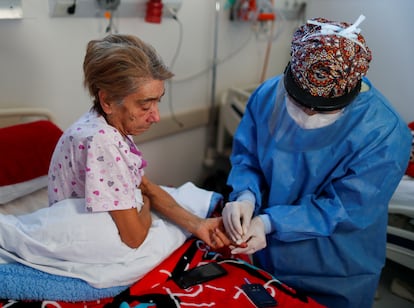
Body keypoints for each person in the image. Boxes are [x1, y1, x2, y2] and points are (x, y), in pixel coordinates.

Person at [221, 15, 412, 308]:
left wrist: (271, 222)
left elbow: (346, 207)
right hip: (264, 255)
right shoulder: (268, 95)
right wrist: (245, 195)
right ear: (290, 76)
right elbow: (248, 157)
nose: (309, 114)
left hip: (336, 269)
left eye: (322, 108)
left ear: (350, 90)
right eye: (299, 101)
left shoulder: (385, 133)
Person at [47, 34, 231, 251]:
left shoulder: (109, 121)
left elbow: (144, 185)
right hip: (86, 239)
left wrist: (198, 224)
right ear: (107, 101)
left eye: (157, 101)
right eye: (145, 106)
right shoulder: (101, 142)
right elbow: (134, 238)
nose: (156, 116)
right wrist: (146, 202)